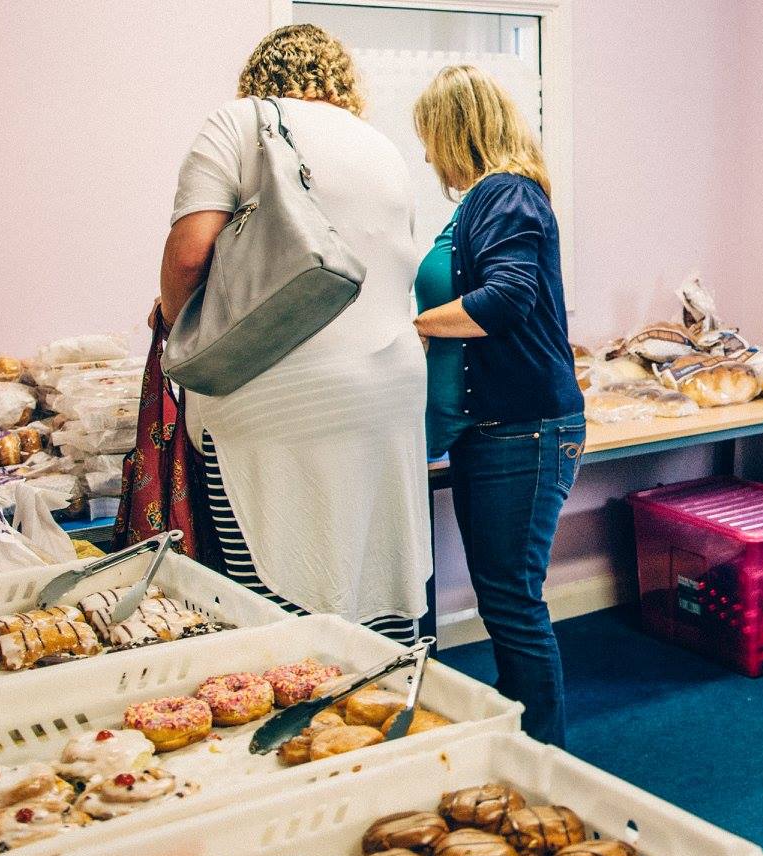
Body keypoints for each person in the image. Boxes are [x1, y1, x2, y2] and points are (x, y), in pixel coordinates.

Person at [154, 23, 429, 641]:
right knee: (372, 563)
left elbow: (191, 253)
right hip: (388, 388)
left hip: (272, 390)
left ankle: (297, 705)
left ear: (258, 77)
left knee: (272, 600)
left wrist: (176, 328)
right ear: (342, 80)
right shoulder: (382, 148)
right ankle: (382, 703)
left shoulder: (239, 122)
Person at [410, 65, 583, 747]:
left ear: (457, 132)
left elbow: (505, 300)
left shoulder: (507, 195)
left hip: (525, 430)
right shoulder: (482, 203)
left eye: (429, 137)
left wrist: (413, 328)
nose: (426, 155)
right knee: (503, 596)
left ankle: (545, 758)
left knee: (512, 599)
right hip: (494, 430)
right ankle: (522, 743)